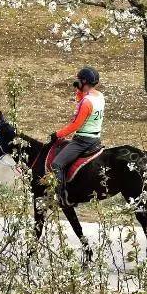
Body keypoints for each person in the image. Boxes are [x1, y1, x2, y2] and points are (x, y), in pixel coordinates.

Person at [49, 66, 105, 205]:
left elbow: (75, 125)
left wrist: (57, 134)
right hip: (96, 139)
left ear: (84, 81)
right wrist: (79, 92)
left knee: (56, 163)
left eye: (79, 80)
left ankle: (61, 196)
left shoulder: (86, 102)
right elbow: (83, 101)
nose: (77, 82)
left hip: (82, 141)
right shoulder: (99, 96)